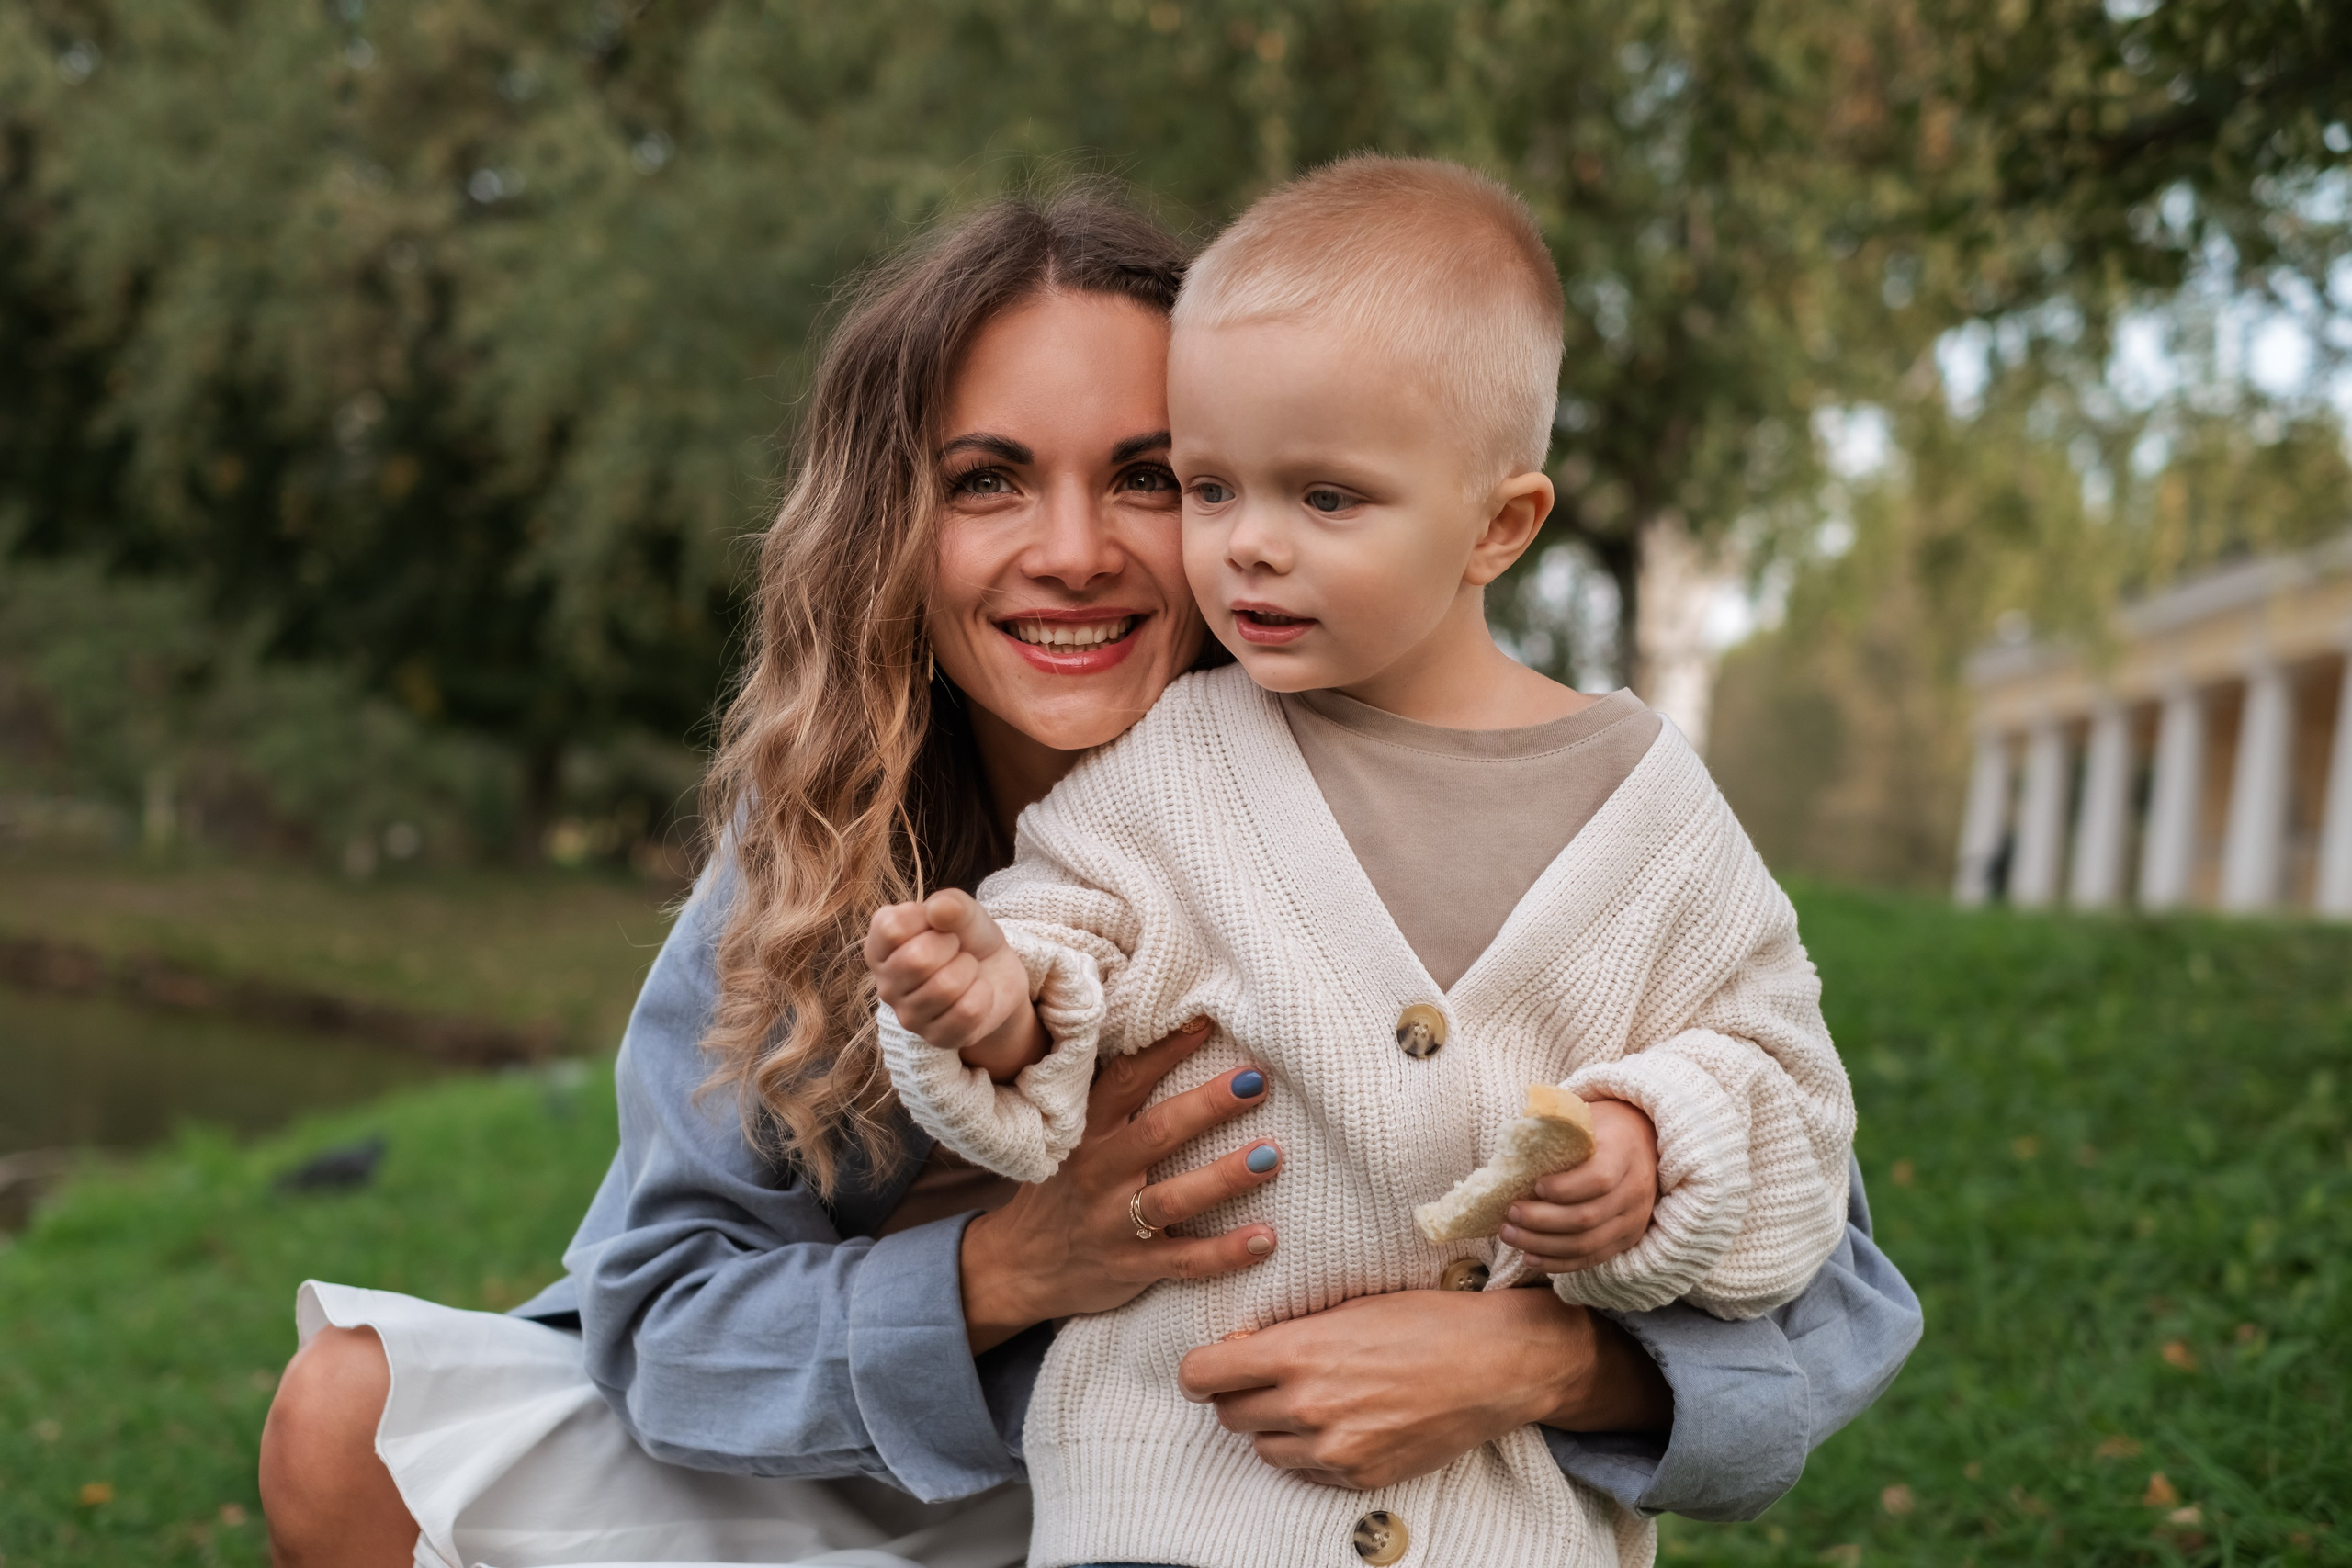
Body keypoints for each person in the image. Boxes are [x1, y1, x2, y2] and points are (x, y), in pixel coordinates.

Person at [257, 187, 1920, 1568]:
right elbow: (659, 1313)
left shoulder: (1494, 799)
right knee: (352, 1416)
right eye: (987, 479)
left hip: (1249, 1486)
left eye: (1148, 475)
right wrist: (1008, 1266)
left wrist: (1536, 1358)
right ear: (893, 527)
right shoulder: (834, 840)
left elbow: (1819, 1282)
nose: (1076, 551)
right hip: (909, 1478)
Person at [867, 159, 1855, 1568]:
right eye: (1208, 487)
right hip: (1168, 1520)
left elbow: (1790, 1099)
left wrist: (1652, 1148)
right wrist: (996, 1003)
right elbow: (1069, 940)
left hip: (1502, 1534)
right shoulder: (1169, 776)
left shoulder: (1655, 819)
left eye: (1326, 499)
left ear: (1501, 525)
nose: (1247, 546)